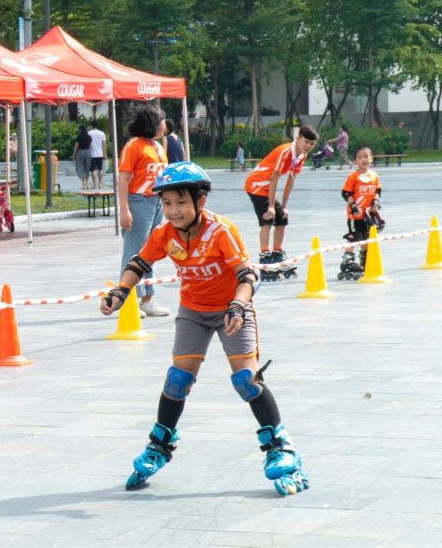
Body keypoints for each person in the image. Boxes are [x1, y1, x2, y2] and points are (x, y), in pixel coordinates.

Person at [101, 162, 308, 496]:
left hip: (232, 311)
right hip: (194, 312)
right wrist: (119, 292)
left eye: (181, 203)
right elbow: (139, 263)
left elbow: (248, 276)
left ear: (201, 201)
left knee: (246, 380)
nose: (173, 211)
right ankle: (160, 443)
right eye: (166, 204)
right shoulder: (165, 234)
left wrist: (238, 305)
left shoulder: (220, 230)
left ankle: (280, 446)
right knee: (177, 379)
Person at [243, 126, 318, 276]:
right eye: (306, 142)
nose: (308, 146)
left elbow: (291, 180)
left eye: (312, 144)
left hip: (268, 187)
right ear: (298, 138)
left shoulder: (301, 156)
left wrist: (284, 206)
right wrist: (271, 206)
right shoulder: (285, 152)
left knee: (282, 218)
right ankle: (265, 256)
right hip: (257, 185)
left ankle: (277, 253)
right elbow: (274, 178)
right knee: (267, 220)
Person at [117, 105, 170, 318]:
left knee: (151, 251)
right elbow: (123, 178)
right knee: (134, 252)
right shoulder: (134, 146)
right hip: (138, 202)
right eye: (162, 120)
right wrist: (124, 209)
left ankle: (148, 298)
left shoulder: (157, 146)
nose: (165, 125)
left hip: (156, 202)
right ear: (153, 123)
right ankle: (128, 299)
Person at [338, 147, 385, 280]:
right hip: (355, 215)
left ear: (371, 158)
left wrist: (375, 203)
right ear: (355, 161)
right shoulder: (353, 176)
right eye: (360, 157)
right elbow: (346, 193)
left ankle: (365, 258)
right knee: (354, 235)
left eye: (366, 156)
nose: (363, 159)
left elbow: (377, 190)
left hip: (368, 215)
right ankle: (347, 260)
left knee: (366, 236)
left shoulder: (374, 175)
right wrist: (353, 205)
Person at [88, 119, 107, 189]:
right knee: (100, 169)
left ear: (91, 125)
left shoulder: (89, 133)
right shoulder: (102, 133)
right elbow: (104, 145)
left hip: (92, 154)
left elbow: (88, 144)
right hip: (100, 154)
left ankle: (94, 184)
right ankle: (100, 184)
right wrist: (104, 154)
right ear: (97, 125)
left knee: (93, 170)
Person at [73, 124, 92, 190]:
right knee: (87, 167)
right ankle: (87, 184)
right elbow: (90, 145)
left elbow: (76, 146)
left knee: (80, 167)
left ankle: (84, 185)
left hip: (80, 152)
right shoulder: (89, 137)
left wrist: (74, 154)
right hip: (88, 152)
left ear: (80, 130)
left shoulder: (79, 136)